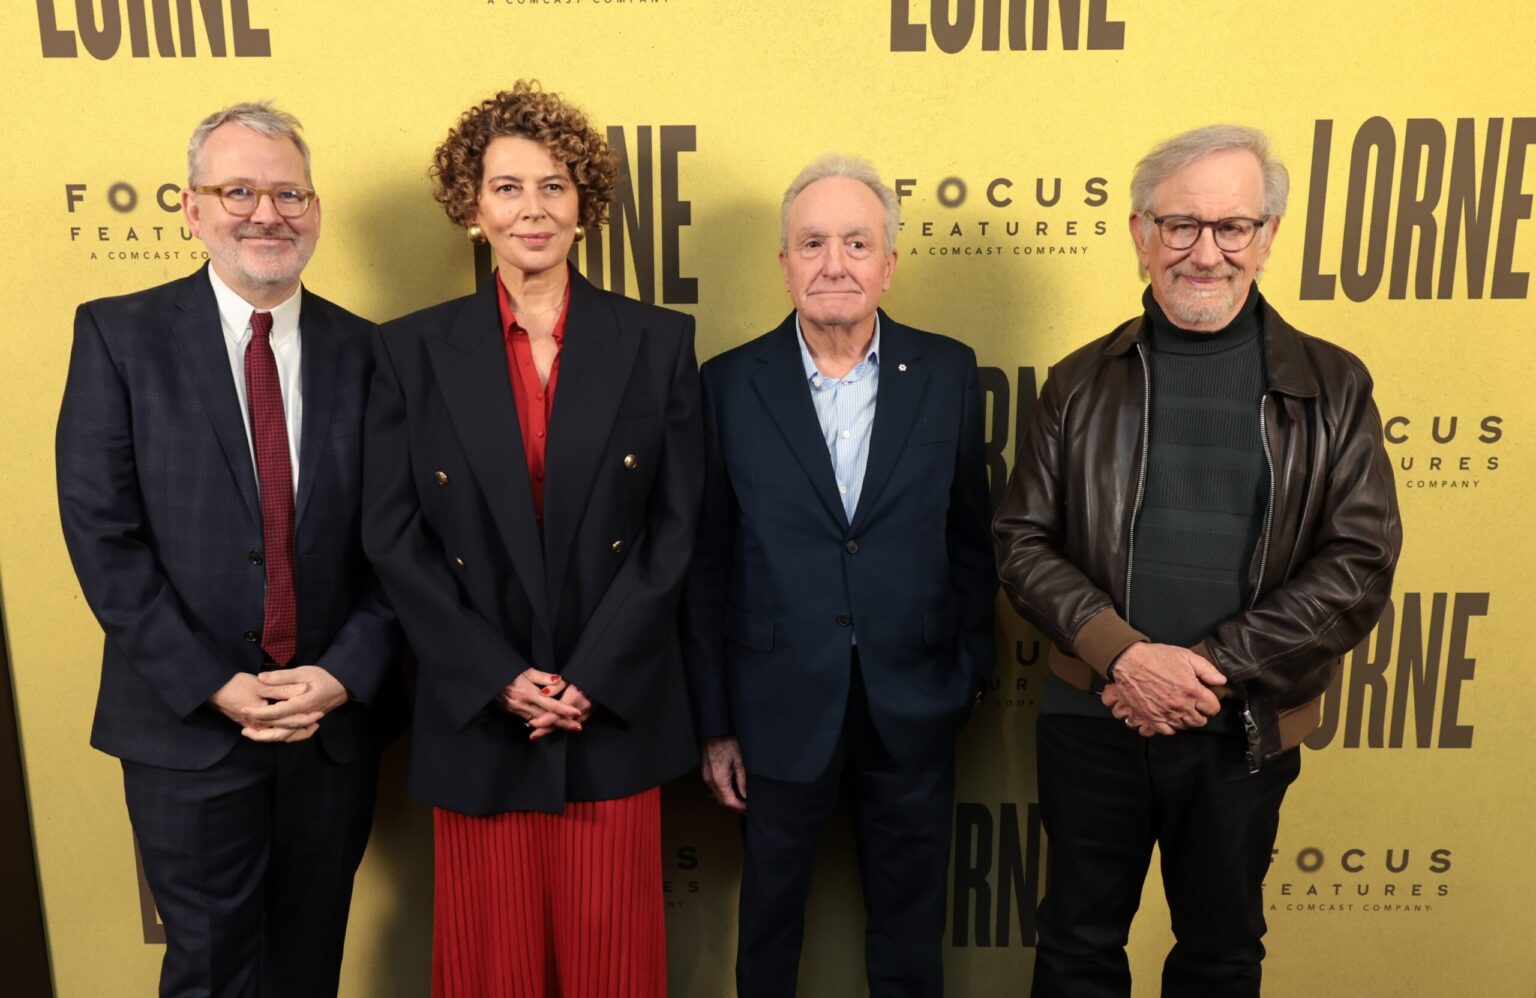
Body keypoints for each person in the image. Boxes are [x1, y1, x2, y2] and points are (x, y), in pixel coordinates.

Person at [993, 124, 1402, 997]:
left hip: (1242, 729)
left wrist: (1204, 671)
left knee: (1220, 957)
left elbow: (1359, 562)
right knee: (1074, 950)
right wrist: (1126, 657)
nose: (1205, 253)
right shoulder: (1075, 382)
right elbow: (1020, 542)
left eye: (1232, 227)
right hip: (1093, 718)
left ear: (1268, 237)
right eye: (1180, 226)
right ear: (1141, 234)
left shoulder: (1333, 386)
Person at [361, 81, 703, 998]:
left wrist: (590, 676)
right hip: (478, 715)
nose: (532, 209)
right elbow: (393, 538)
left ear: (584, 202)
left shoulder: (659, 342)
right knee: (490, 971)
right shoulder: (411, 352)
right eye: (507, 188)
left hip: (611, 709)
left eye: (554, 185)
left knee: (613, 971)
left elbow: (676, 529)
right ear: (472, 210)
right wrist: (497, 677)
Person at [56, 101, 404, 997]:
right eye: (239, 189)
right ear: (191, 206)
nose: (266, 213)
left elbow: (400, 542)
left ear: (315, 209)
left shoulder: (372, 355)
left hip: (329, 730)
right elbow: (103, 534)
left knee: (308, 964)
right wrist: (213, 683)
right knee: (209, 970)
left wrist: (344, 672)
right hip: (186, 726)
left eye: (289, 192)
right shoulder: (117, 335)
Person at [683, 154, 996, 997]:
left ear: (889, 263)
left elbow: (973, 540)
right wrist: (716, 724)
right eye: (812, 242)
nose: (834, 264)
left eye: (857, 243)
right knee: (770, 930)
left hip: (915, 700)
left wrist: (964, 674)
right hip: (775, 706)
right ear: (783, 262)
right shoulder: (725, 385)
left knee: (909, 930)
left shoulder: (948, 373)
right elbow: (707, 564)